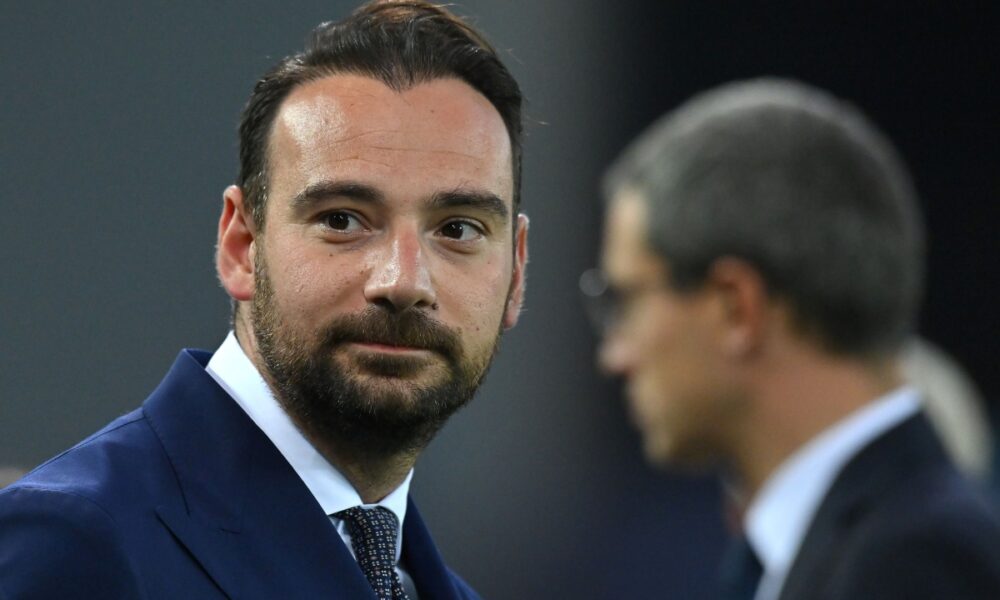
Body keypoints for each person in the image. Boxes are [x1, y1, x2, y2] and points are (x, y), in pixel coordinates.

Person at [0, 2, 527, 598]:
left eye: (458, 229)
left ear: (516, 270)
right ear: (241, 245)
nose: (404, 282)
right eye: (342, 219)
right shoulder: (74, 542)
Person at [587, 78, 1000, 599]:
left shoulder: (916, 560)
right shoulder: (823, 551)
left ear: (736, 309)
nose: (614, 357)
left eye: (626, 302)